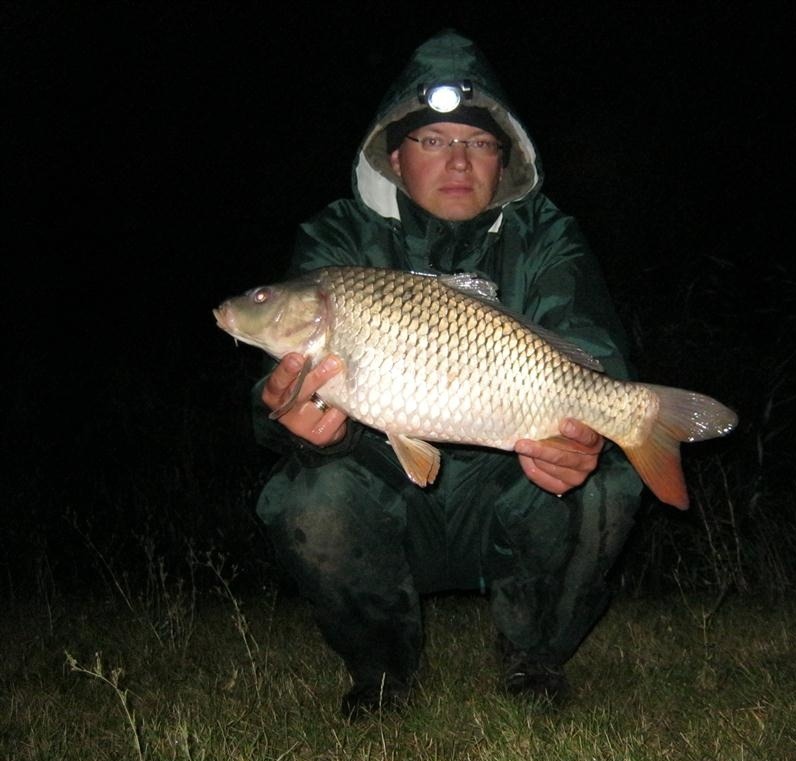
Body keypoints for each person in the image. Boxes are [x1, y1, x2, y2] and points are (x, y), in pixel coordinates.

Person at [250, 29, 657, 719]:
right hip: (387, 494)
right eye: (434, 141)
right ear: (395, 155)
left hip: (512, 488)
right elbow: (271, 400)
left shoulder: (548, 235)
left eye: (480, 143)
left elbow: (593, 347)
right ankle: (382, 675)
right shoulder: (336, 243)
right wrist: (302, 429)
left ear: (506, 160)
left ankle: (534, 659)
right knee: (302, 498)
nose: (460, 161)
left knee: (611, 476)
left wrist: (590, 438)